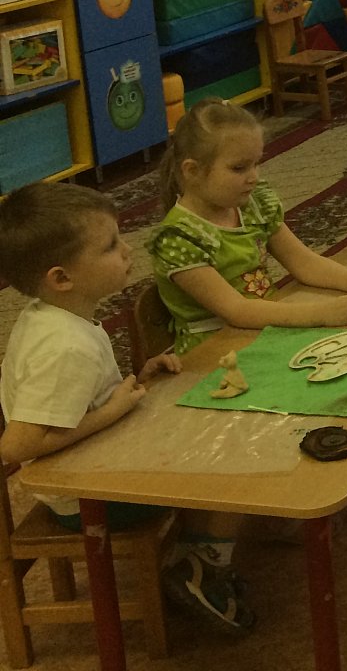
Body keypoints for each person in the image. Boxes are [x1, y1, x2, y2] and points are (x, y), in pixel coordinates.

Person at [2, 182, 253, 632]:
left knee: (203, 421)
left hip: (93, 468)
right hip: (87, 498)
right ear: (61, 278)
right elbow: (17, 446)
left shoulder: (60, 317)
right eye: (110, 246)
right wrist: (113, 412)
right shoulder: (63, 346)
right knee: (228, 453)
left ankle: (196, 551)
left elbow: (76, 399)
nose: (127, 250)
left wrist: (137, 379)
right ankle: (201, 566)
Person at [149, 99, 347, 356]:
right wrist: (321, 313)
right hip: (215, 354)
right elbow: (237, 311)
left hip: (265, 328)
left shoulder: (252, 206)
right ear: (192, 171)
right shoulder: (179, 238)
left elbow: (304, 263)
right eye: (239, 168)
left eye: (256, 163)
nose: (254, 177)